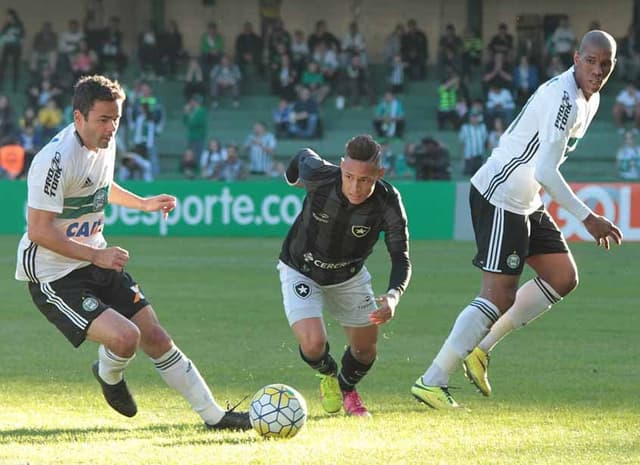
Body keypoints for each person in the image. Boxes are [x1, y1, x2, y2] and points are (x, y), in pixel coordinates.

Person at [14, 74, 251, 430]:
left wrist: (142, 204)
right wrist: (96, 256)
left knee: (156, 337)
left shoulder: (104, 143)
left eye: (116, 119)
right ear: (78, 117)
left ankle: (214, 417)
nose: (111, 128)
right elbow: (39, 230)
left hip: (94, 257)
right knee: (126, 338)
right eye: (103, 120)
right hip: (55, 275)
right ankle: (109, 377)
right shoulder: (55, 160)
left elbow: (100, 187)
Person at [411, 30, 623, 409]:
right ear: (576, 59)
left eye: (604, 64)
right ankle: (432, 380)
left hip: (526, 200)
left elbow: (544, 168)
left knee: (562, 277)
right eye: (590, 61)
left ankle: (482, 350)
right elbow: (544, 170)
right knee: (497, 295)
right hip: (500, 195)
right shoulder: (564, 99)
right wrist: (586, 217)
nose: (597, 70)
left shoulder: (592, 99)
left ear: (612, 65)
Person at [278, 134, 411, 417]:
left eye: (364, 179)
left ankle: (346, 387)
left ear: (380, 174)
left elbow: (401, 257)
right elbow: (301, 153)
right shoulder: (319, 175)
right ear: (340, 167)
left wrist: (393, 297)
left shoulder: (388, 202)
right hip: (300, 269)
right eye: (348, 176)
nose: (354, 186)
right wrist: (291, 180)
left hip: (349, 277)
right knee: (313, 344)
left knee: (366, 351)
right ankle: (327, 373)